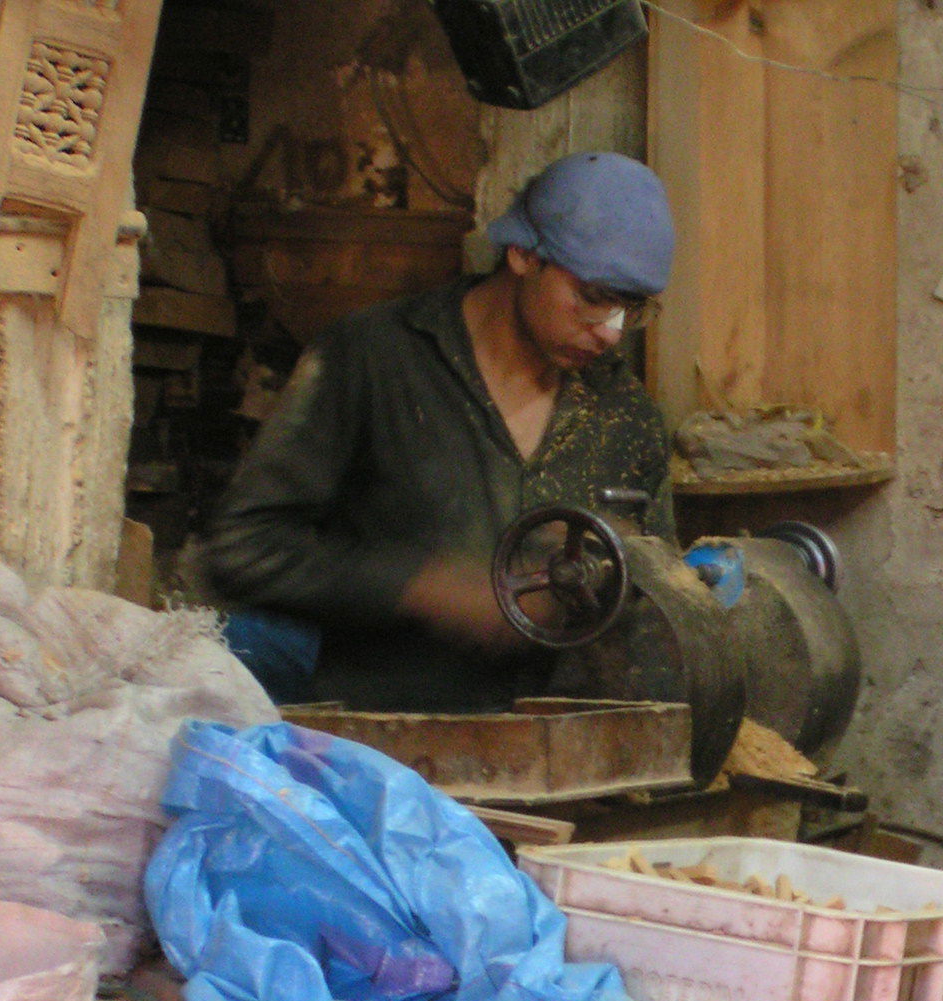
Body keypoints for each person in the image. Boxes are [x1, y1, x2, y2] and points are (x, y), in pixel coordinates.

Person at [206, 151, 677, 710]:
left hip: (562, 763)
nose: (609, 333)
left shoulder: (625, 416)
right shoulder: (371, 360)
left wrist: (650, 579)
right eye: (595, 298)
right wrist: (422, 587)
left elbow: (658, 602)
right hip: (389, 757)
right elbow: (242, 549)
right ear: (524, 254)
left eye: (633, 309)